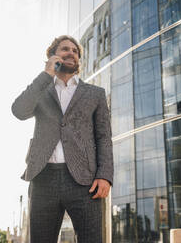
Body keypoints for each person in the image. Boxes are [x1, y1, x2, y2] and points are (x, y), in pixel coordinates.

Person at [11, 35, 113, 243]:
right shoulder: (41, 90)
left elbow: (104, 137)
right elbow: (19, 111)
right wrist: (47, 74)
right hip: (43, 177)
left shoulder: (95, 93)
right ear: (53, 56)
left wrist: (105, 175)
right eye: (65, 49)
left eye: (75, 51)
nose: (71, 53)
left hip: (85, 181)